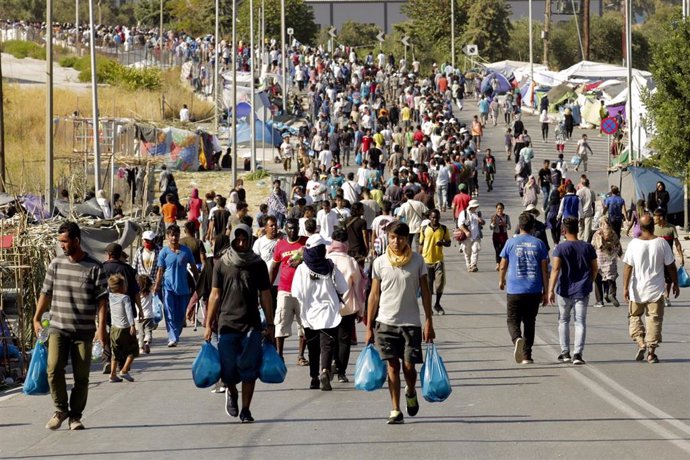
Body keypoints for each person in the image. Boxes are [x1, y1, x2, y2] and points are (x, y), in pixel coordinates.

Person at [33, 222, 108, 431]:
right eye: (60, 242)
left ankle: (75, 416)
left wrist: (101, 329)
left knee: (81, 376)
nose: (62, 246)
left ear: (76, 240)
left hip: (83, 331)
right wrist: (36, 317)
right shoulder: (56, 264)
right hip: (58, 327)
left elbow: (102, 302)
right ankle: (60, 409)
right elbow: (45, 293)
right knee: (53, 368)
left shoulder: (95, 267)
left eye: (65, 241)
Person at [365, 222, 434, 424]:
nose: (396, 241)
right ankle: (395, 409)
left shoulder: (418, 262)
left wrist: (429, 320)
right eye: (393, 237)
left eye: (401, 238)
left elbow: (426, 293)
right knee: (392, 366)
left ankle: (411, 390)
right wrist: (369, 326)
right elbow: (374, 295)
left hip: (411, 323)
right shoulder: (379, 263)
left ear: (407, 239)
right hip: (385, 323)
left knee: (409, 366)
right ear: (387, 237)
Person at [204, 224, 274, 423]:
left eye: (245, 239)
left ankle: (246, 410)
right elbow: (214, 295)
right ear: (233, 239)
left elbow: (266, 295)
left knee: (249, 370)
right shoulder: (222, 263)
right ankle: (232, 392)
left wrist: (270, 323)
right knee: (228, 371)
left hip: (251, 325)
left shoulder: (258, 264)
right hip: (227, 324)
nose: (241, 243)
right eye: (238, 239)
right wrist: (209, 324)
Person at [292, 234, 348, 390]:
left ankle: (314, 378)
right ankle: (325, 370)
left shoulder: (302, 268)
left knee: (313, 347)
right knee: (327, 344)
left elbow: (296, 292)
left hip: (309, 313)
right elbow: (343, 287)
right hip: (329, 312)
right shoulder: (330, 266)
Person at [623, 215, 679, 363]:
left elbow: (628, 267)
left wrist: (625, 287)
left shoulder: (634, 244)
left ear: (640, 228)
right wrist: (675, 283)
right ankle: (651, 353)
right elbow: (671, 266)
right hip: (656, 290)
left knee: (634, 316)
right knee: (654, 320)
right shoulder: (661, 243)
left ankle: (641, 342)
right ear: (653, 227)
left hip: (637, 290)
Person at [499, 213, 549, 365]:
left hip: (514, 289)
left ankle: (516, 339)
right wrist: (546, 291)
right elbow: (544, 269)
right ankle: (527, 355)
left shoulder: (511, 243)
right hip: (533, 289)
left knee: (512, 319)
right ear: (533, 227)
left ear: (519, 226)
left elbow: (503, 264)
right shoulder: (539, 244)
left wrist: (501, 281)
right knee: (529, 321)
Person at [547, 217, 598, 365]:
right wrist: (589, 281)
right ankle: (577, 354)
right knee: (580, 322)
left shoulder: (560, 248)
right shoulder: (587, 247)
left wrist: (550, 289)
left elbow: (556, 269)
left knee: (563, 320)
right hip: (582, 290)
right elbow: (595, 268)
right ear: (578, 228)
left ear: (563, 230)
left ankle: (565, 353)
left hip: (564, 289)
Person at [327, 229, 365, 383]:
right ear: (346, 243)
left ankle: (328, 366)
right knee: (344, 340)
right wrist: (361, 310)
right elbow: (358, 288)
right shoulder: (350, 261)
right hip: (347, 307)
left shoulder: (325, 259)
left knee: (330, 339)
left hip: (328, 308)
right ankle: (341, 372)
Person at [270, 218, 308, 364]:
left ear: (299, 228)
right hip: (284, 289)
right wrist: (267, 286)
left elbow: (316, 258)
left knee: (303, 324)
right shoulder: (280, 245)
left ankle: (300, 356)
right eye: (290, 228)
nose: (292, 231)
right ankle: (279, 355)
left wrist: (303, 260)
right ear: (285, 229)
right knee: (280, 323)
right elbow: (274, 267)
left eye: (295, 228)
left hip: (303, 290)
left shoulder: (306, 242)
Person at [153, 224, 199, 347]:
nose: (174, 238)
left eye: (176, 235)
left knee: (180, 316)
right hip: (168, 288)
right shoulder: (164, 252)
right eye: (172, 235)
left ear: (179, 236)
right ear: (168, 237)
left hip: (183, 289)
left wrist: (199, 282)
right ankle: (172, 337)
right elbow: (160, 271)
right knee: (169, 312)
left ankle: (175, 335)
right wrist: (157, 286)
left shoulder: (186, 251)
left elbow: (194, 268)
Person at [418, 209, 451, 314]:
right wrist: (419, 259)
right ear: (429, 218)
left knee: (440, 284)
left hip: (438, 261)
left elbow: (449, 242)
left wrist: (443, 243)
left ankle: (437, 304)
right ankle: (429, 307)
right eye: (432, 217)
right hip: (426, 261)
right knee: (428, 287)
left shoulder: (444, 229)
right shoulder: (424, 229)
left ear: (439, 217)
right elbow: (421, 244)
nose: (434, 219)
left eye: (436, 217)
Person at [107, 274, 139, 383]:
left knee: (115, 352)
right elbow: (129, 312)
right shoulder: (125, 298)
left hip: (114, 329)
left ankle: (112, 374)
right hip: (125, 328)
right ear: (121, 286)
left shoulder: (109, 297)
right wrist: (133, 325)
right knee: (133, 349)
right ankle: (124, 370)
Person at [653, 207, 685, 306]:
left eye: (656, 216)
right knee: (656, 278)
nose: (654, 218)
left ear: (661, 217)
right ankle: (658, 296)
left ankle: (666, 297)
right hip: (655, 258)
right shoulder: (653, 228)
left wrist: (681, 256)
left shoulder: (671, 228)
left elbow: (677, 243)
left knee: (669, 279)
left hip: (668, 258)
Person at [591, 217, 623, 308]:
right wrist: (618, 254)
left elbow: (592, 245)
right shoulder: (613, 233)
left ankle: (599, 301)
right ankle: (611, 293)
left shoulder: (597, 234)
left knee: (598, 280)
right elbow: (618, 247)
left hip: (599, 260)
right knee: (611, 278)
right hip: (610, 260)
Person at [458, 199, 485, 272]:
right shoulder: (464, 213)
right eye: (475, 206)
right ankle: (468, 265)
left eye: (476, 206)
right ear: (471, 207)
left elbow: (483, 222)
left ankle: (473, 265)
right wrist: (466, 231)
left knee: (475, 250)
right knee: (467, 252)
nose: (476, 208)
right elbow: (460, 224)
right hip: (467, 237)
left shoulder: (477, 213)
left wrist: (481, 221)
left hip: (476, 236)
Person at [135, 274, 155, 354]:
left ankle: (141, 347)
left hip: (139, 316)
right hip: (149, 315)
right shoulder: (150, 293)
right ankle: (147, 342)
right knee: (148, 331)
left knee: (140, 333)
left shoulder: (137, 294)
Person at [490, 203, 511, 272]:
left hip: (504, 235)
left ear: (503, 209)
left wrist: (504, 224)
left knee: (503, 250)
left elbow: (509, 227)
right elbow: (490, 228)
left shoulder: (506, 217)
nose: (500, 210)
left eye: (501, 208)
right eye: (498, 209)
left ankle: (502, 264)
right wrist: (493, 223)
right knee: (497, 250)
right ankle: (498, 264)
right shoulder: (493, 216)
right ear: (496, 209)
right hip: (496, 235)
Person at [576, 179, 596, 243]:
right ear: (588, 183)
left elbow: (577, 203)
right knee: (587, 229)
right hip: (588, 212)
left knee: (580, 227)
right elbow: (593, 203)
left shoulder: (579, 192)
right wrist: (594, 210)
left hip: (580, 212)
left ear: (582, 184)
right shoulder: (591, 191)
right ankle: (586, 242)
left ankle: (580, 241)